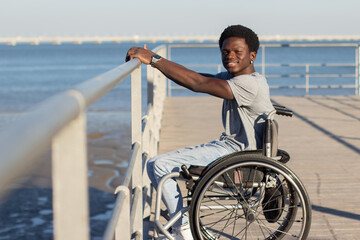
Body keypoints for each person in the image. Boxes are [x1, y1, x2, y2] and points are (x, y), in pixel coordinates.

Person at [126, 24, 274, 240]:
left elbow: (197, 83)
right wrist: (156, 64)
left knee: (158, 165)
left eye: (237, 52)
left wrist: (155, 59)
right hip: (233, 149)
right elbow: (194, 78)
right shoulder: (240, 78)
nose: (230, 56)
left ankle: (184, 229)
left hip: (238, 154)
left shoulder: (248, 84)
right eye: (225, 52)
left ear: (252, 55)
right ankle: (182, 224)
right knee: (160, 165)